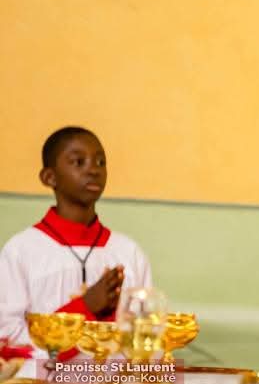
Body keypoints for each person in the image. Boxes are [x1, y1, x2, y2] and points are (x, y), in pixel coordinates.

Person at [0, 127, 152, 359]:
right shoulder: (21, 250)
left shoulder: (128, 252)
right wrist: (85, 307)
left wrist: (112, 319)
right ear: (49, 177)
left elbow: (145, 335)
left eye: (100, 162)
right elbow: (9, 338)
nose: (93, 170)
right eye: (78, 162)